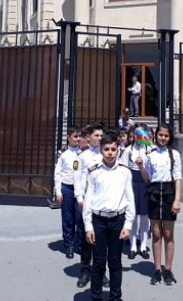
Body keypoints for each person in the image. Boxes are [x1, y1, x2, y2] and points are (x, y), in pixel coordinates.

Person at [83, 132, 135, 301]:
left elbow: (130, 200)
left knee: (115, 263)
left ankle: (115, 297)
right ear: (101, 151)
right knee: (98, 263)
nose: (110, 152)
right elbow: (88, 200)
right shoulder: (94, 172)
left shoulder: (125, 172)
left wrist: (128, 225)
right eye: (106, 149)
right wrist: (88, 226)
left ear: (118, 150)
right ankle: (96, 297)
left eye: (113, 149)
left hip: (117, 221)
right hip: (99, 221)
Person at [136, 122, 182, 286]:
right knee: (156, 233)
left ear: (170, 137)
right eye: (160, 135)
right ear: (155, 136)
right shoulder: (150, 154)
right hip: (154, 193)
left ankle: (168, 270)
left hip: (169, 192)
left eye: (166, 135)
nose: (163, 138)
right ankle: (157, 269)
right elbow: (147, 179)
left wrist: (177, 199)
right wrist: (141, 166)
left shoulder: (174, 154)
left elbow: (177, 178)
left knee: (168, 234)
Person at [74, 123, 105, 288]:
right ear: (89, 137)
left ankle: (101, 271)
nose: (99, 139)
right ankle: (85, 270)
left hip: (103, 203)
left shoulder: (107, 154)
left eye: (101, 136)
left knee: (102, 239)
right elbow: (77, 178)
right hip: (87, 201)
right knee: (87, 238)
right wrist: (79, 198)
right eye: (96, 136)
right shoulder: (82, 156)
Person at [119, 124, 152, 260]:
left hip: (144, 183)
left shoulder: (149, 149)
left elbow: (151, 169)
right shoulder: (128, 150)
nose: (139, 137)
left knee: (144, 216)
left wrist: (144, 163)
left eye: (142, 133)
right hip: (132, 183)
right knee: (132, 216)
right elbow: (123, 168)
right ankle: (133, 246)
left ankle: (143, 246)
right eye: (137, 134)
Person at [54, 126, 82, 258]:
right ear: (68, 137)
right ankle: (69, 245)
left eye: (79, 136)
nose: (78, 139)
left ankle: (80, 244)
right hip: (67, 189)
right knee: (68, 219)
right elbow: (57, 173)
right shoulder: (63, 154)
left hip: (80, 190)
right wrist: (58, 191)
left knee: (80, 218)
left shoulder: (83, 153)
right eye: (75, 136)